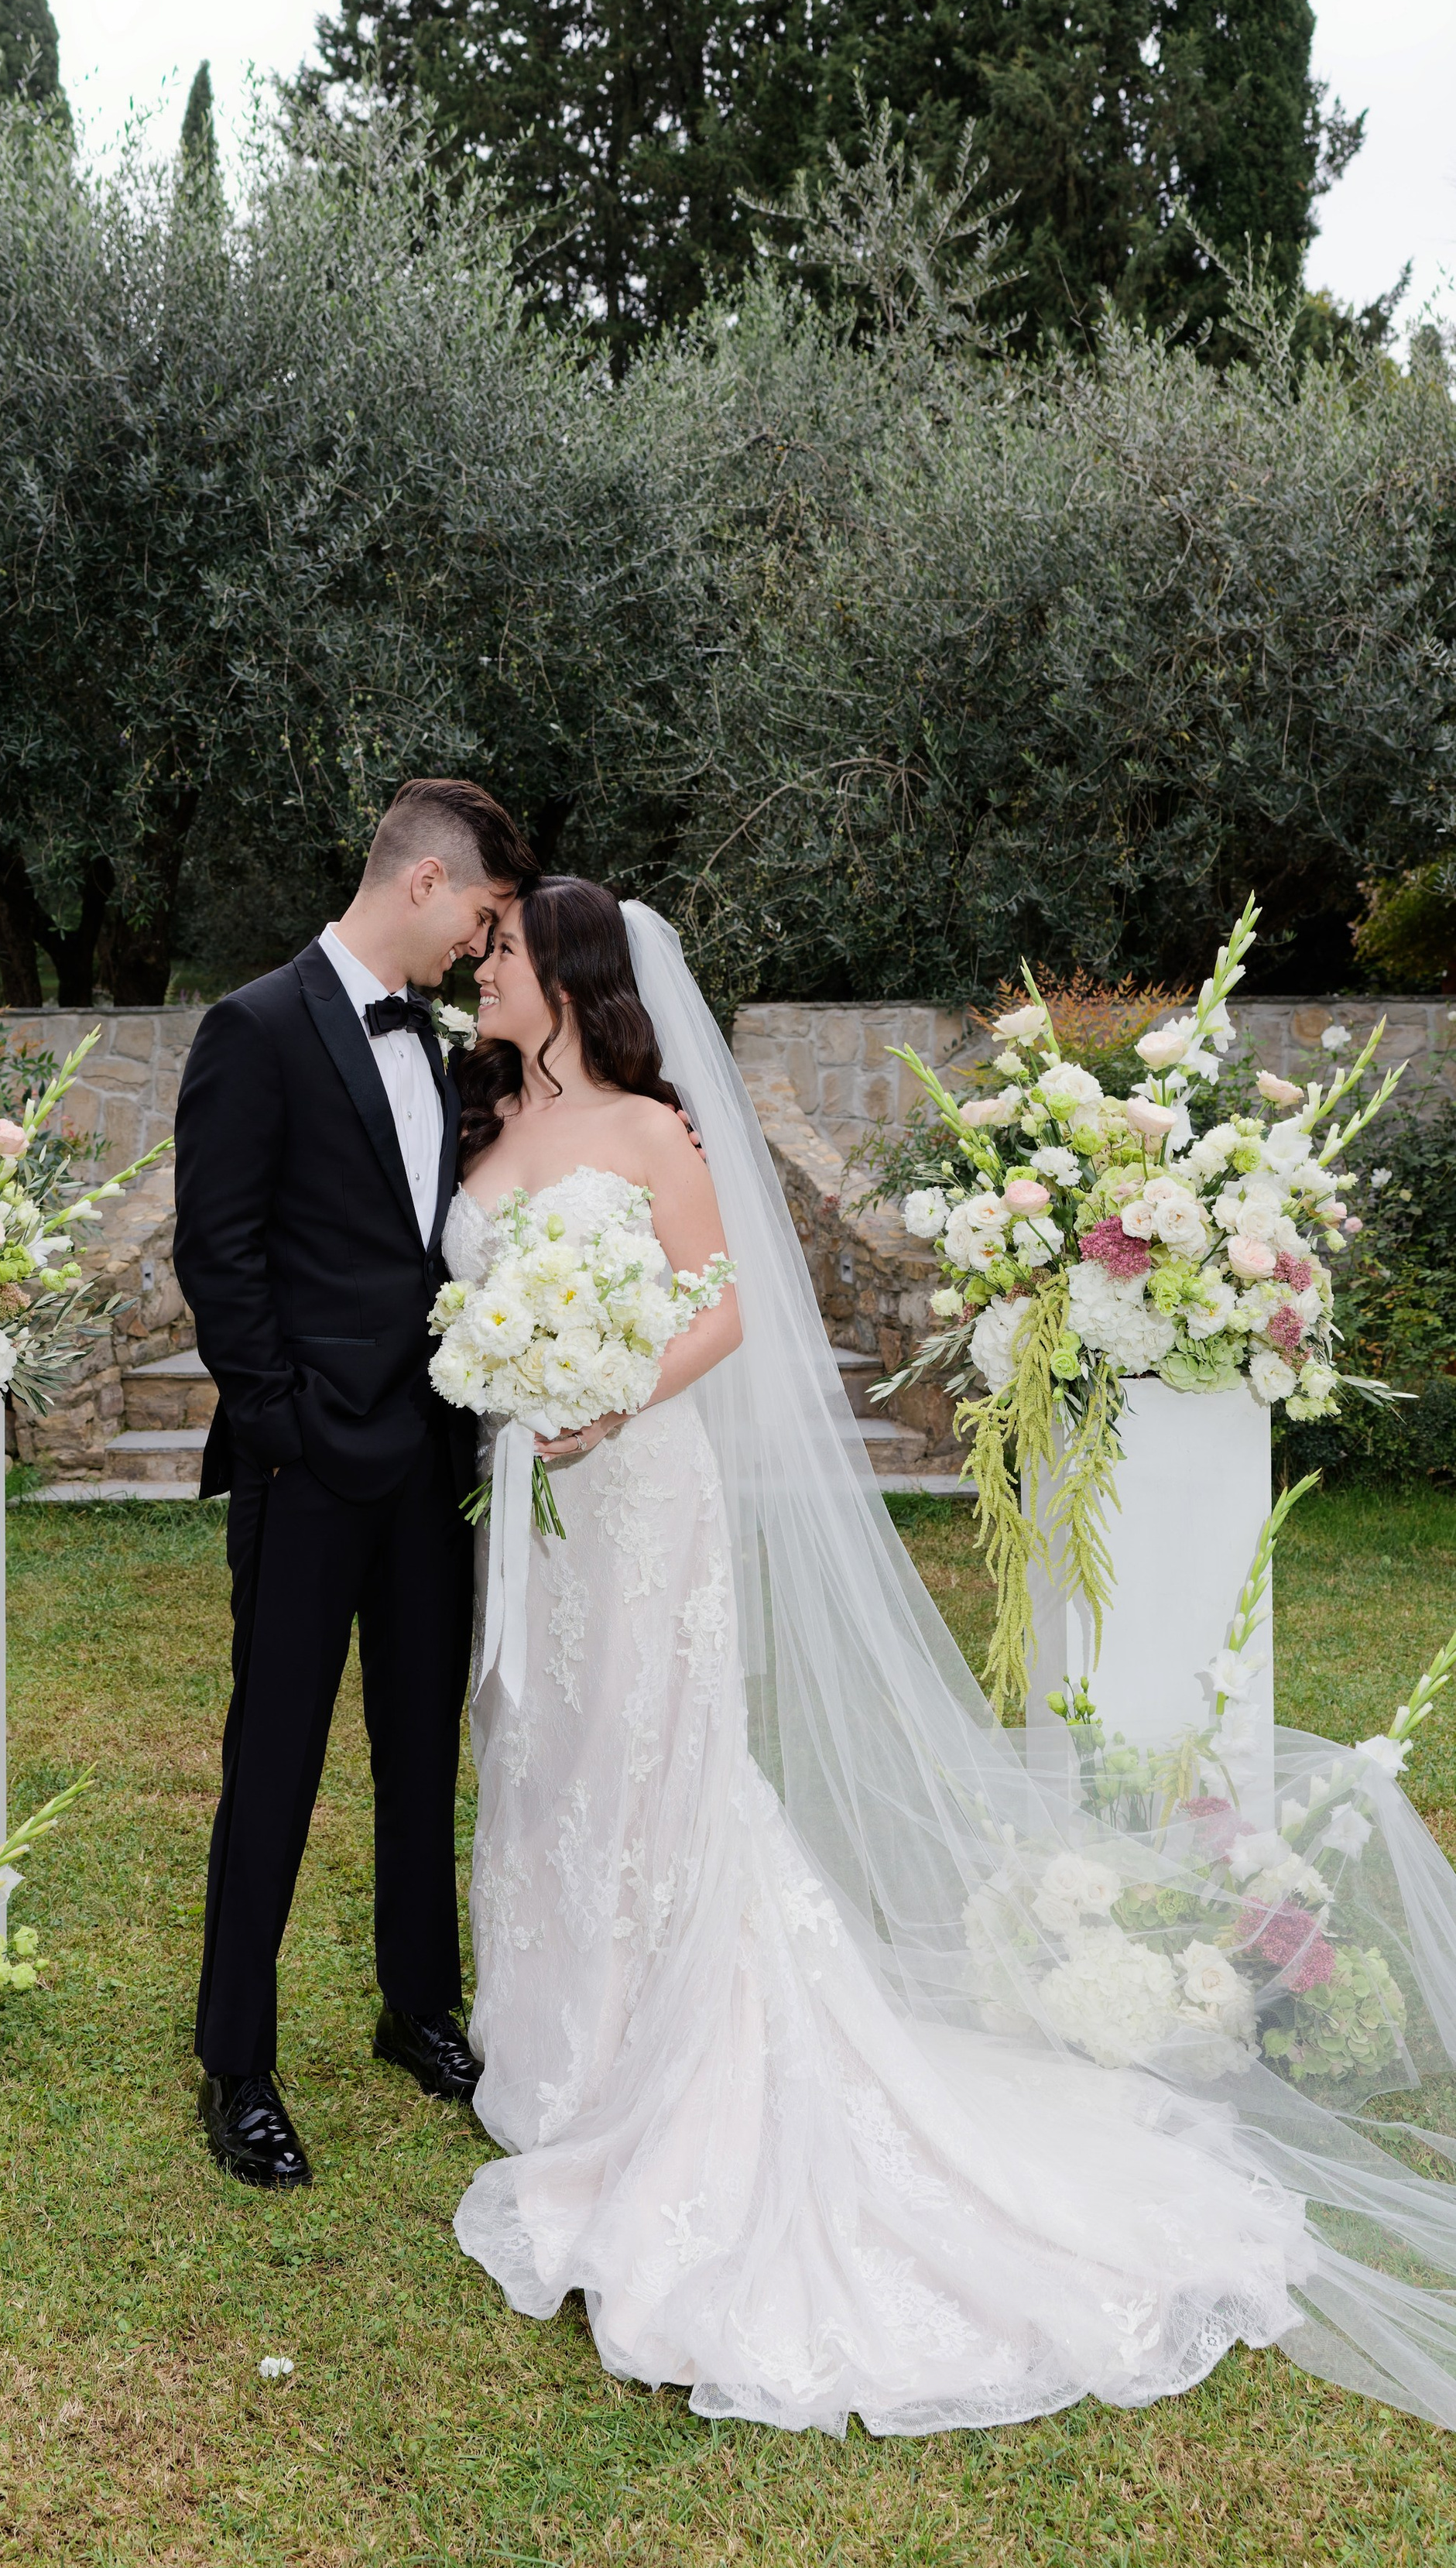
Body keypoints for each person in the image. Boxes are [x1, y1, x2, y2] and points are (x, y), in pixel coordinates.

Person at [447, 877, 1456, 2434]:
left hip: (638, 1491)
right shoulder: (490, 1118)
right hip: (536, 1501)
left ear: (570, 976)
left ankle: (650, 2051)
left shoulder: (650, 1129)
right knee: (544, 1750)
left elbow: (726, 1313)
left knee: (647, 1756)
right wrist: (515, 1377)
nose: (480, 967)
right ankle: (547, 2046)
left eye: (504, 951)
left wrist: (607, 1391)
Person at [173, 779, 539, 2188]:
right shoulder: (254, 1026)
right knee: (273, 1760)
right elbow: (219, 1254)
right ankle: (237, 2065)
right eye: (482, 916)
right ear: (427, 881)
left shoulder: (441, 1046)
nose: (480, 947)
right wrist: (286, 1426)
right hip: (309, 1466)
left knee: (419, 1748)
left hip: (431, 1462)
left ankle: (417, 2005)